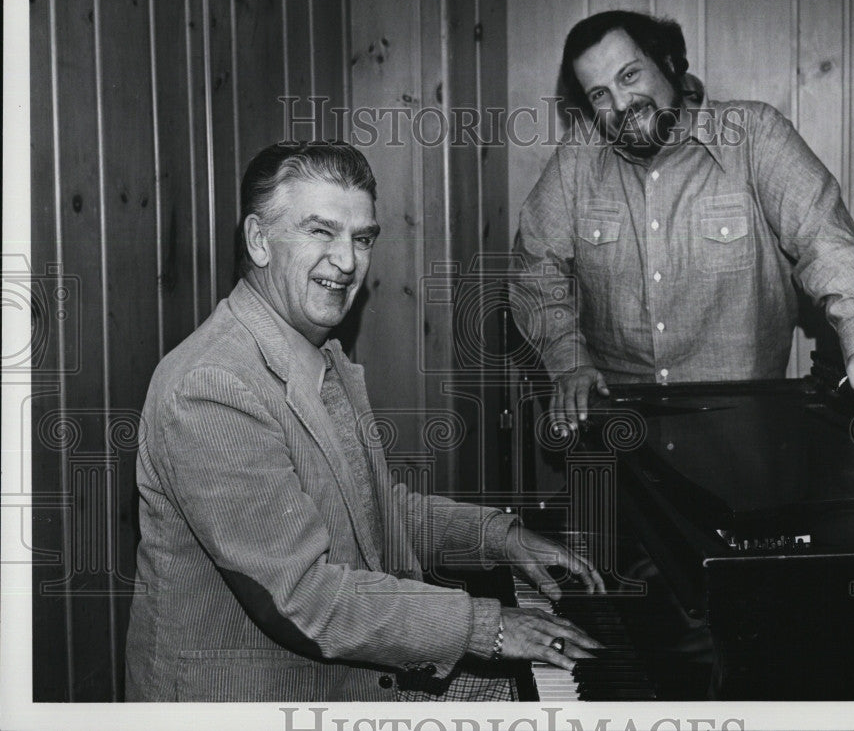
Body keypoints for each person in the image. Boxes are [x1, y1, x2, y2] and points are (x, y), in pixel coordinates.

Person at [125, 143, 604, 702]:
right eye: (320, 232)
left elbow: (374, 515)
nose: (348, 261)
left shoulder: (320, 356)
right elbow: (302, 598)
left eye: (363, 237)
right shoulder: (212, 388)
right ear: (259, 240)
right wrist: (487, 625)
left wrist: (499, 538)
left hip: (339, 674)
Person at [513, 10, 854, 431]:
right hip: (621, 424)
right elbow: (535, 269)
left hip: (744, 426)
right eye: (599, 94)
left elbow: (825, 240)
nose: (621, 104)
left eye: (629, 76)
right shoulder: (577, 158)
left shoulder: (755, 134)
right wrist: (569, 362)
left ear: (669, 64)